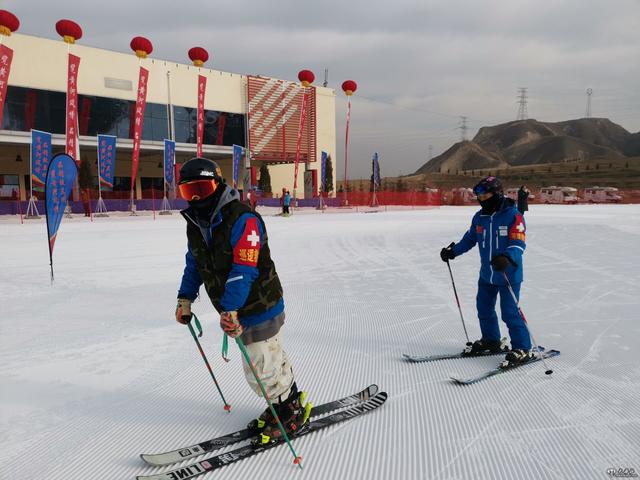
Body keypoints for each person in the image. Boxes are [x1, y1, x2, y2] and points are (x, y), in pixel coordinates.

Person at [174, 157, 310, 443]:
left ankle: (288, 411)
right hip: (235, 311)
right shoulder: (196, 224)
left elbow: (243, 269)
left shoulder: (243, 219)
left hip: (259, 305)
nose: (197, 198)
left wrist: (231, 309)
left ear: (218, 184)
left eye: (202, 188)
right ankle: (285, 404)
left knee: (261, 369)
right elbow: (194, 263)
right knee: (268, 362)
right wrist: (185, 297)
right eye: (189, 192)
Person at [440, 176, 533, 366]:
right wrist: (453, 252)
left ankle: (523, 347)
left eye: (484, 195)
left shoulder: (513, 216)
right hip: (487, 275)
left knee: (509, 313)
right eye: (478, 196)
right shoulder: (479, 217)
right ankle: (491, 340)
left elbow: (518, 243)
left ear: (497, 193)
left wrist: (507, 257)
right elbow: (470, 239)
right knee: (484, 308)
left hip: (508, 274)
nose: (481, 199)